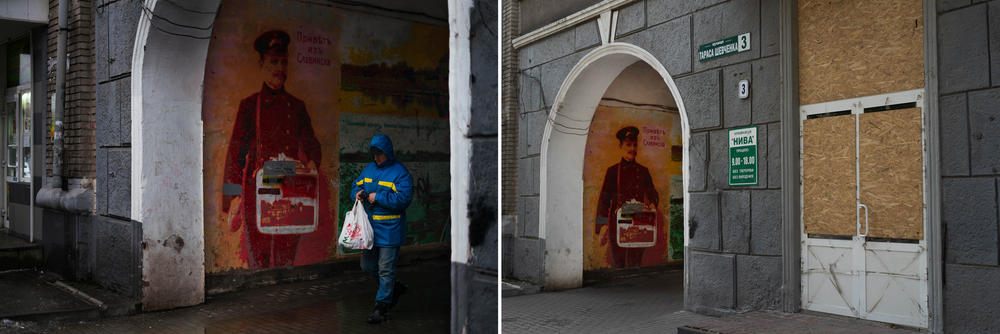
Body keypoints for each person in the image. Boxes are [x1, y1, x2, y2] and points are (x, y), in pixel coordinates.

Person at [222, 30, 322, 269]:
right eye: (274, 62)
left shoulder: (297, 107)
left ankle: (284, 299)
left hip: (289, 187)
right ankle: (264, 300)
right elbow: (235, 155)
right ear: (262, 64)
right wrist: (233, 197)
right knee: (261, 257)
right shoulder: (250, 106)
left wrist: (311, 163)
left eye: (283, 62)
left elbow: (311, 144)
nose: (280, 68)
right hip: (258, 192)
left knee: (287, 254)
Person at [351, 134, 414, 324]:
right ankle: (394, 289)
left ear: (388, 153)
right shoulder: (369, 169)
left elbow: (404, 199)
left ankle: (382, 307)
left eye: (380, 154)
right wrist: (358, 193)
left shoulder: (400, 173)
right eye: (374, 154)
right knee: (368, 266)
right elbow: (355, 185)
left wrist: (377, 197)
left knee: (385, 269)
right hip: (370, 230)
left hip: (390, 230)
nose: (376, 158)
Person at [595, 126, 660, 268]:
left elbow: (652, 192)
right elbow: (604, 200)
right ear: (620, 146)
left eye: (635, 145)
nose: (632, 149)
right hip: (617, 224)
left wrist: (653, 203)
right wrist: (603, 226)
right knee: (619, 263)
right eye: (628, 145)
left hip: (638, 221)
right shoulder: (612, 171)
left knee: (635, 262)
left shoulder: (643, 171)